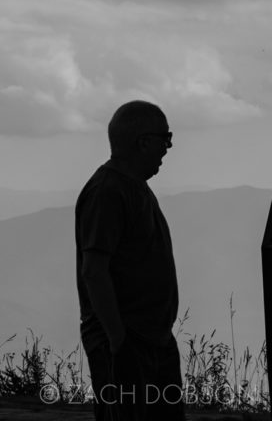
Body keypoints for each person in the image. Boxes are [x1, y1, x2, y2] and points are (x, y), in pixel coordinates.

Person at [76, 100, 183, 421]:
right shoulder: (108, 191)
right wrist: (118, 341)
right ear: (143, 142)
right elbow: (94, 271)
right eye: (165, 139)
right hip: (127, 342)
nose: (168, 148)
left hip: (151, 340)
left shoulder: (133, 187)